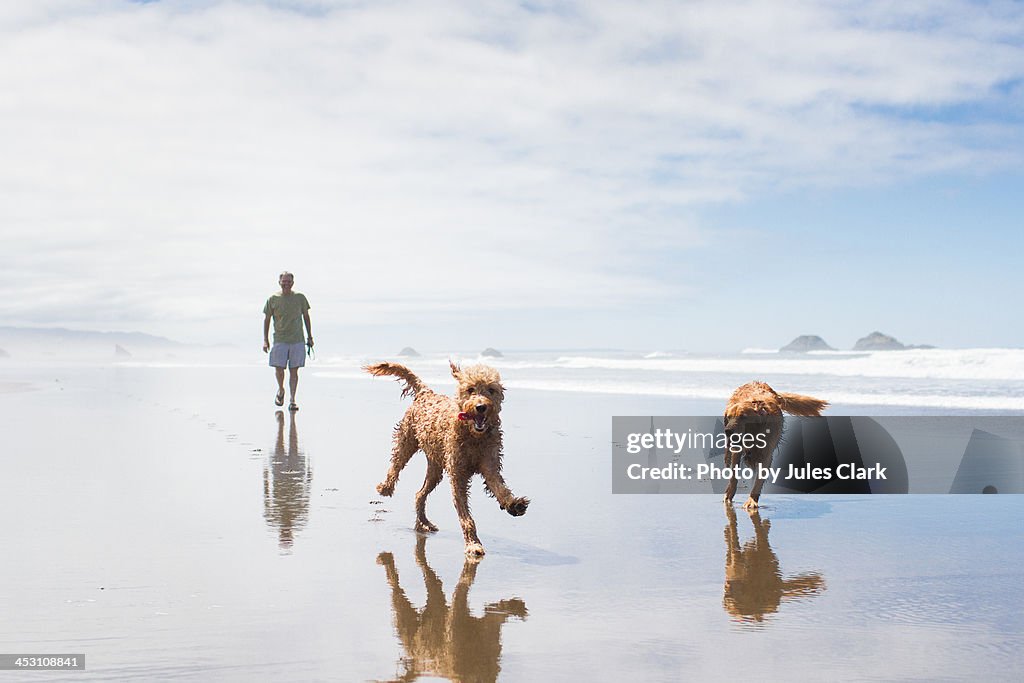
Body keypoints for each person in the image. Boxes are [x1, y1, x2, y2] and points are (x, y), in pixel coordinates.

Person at [263, 271, 313, 411]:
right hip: (280, 339)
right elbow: (267, 319)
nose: (286, 284)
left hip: (297, 339)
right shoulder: (273, 299)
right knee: (279, 369)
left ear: (293, 283)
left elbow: (306, 317)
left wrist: (310, 336)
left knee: (294, 371)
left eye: (289, 281)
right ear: (279, 282)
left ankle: (292, 400)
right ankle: (280, 390)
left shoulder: (300, 298)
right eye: (284, 281)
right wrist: (265, 340)